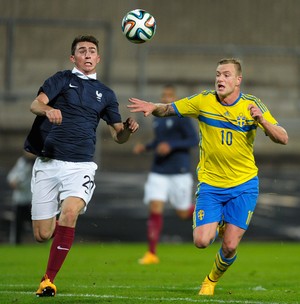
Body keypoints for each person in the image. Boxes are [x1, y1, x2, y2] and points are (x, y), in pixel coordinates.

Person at [128, 58, 288, 295]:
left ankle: (210, 280)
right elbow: (170, 108)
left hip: (244, 185)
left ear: (238, 80)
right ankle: (220, 223)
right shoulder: (203, 100)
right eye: (217, 74)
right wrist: (153, 107)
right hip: (211, 185)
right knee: (202, 241)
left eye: (225, 75)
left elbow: (283, 137)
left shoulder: (252, 105)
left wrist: (262, 121)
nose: (220, 79)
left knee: (231, 245)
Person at [24, 35, 139, 297]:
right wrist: (47, 110)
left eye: (92, 51)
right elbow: (35, 104)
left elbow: (117, 135)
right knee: (42, 235)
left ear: (98, 58)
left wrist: (129, 131)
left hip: (81, 166)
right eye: (81, 51)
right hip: (49, 162)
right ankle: (58, 229)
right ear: (73, 57)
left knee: (71, 212)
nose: (87, 54)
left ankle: (48, 280)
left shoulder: (106, 94)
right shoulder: (61, 79)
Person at [133, 85, 198, 264]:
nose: (165, 98)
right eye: (163, 95)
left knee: (183, 213)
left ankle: (213, 216)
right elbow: (160, 142)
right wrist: (146, 147)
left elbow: (194, 139)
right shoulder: (158, 119)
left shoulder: (182, 117)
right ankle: (151, 253)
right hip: (159, 170)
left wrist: (172, 146)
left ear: (175, 98)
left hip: (179, 171)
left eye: (169, 95)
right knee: (155, 206)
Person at [7, 150, 36, 244]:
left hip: (31, 199)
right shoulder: (21, 161)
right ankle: (16, 242)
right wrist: (13, 181)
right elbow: (12, 175)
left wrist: (19, 181)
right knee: (17, 224)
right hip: (19, 199)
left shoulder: (36, 163)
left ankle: (42, 240)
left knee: (35, 222)